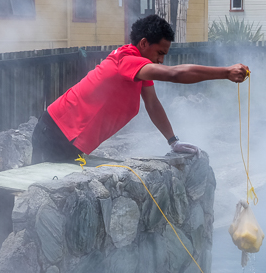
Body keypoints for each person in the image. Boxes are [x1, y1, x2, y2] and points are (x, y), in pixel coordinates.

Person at [31, 15, 249, 164]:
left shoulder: (139, 68)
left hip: (68, 138)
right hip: (55, 132)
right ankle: (5, 231)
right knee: (41, 198)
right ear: (144, 43)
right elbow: (175, 74)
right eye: (160, 53)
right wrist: (225, 72)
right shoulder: (126, 60)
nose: (161, 60)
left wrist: (173, 141)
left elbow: (152, 104)